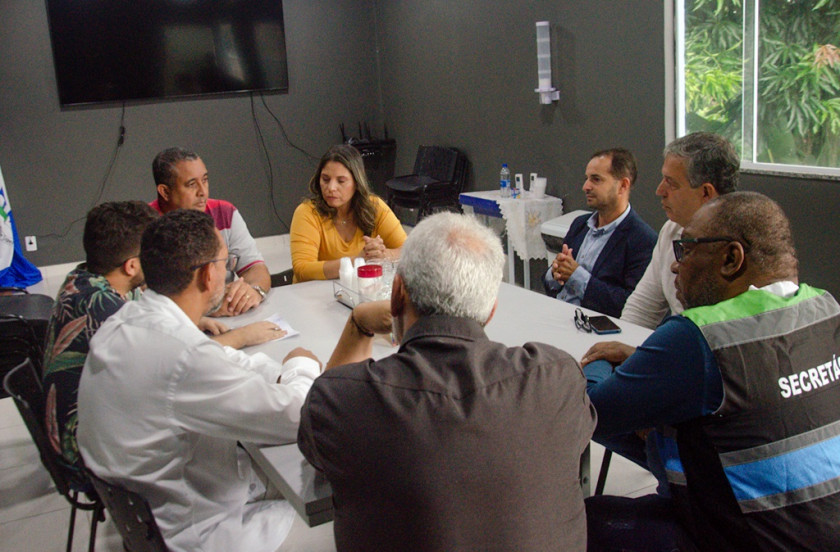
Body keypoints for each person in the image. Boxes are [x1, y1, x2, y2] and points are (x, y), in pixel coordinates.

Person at [298, 212, 596, 551]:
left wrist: (358, 326)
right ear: (491, 310)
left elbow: (316, 450)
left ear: (396, 295)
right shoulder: (557, 378)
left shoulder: (341, 398)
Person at [582, 192, 840, 551]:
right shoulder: (825, 308)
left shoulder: (699, 336)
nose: (676, 266)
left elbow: (591, 413)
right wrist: (646, 362)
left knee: (584, 519)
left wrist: (594, 362)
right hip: (822, 525)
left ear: (731, 259)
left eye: (686, 249)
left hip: (748, 538)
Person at [77, 209, 322, 552]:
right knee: (322, 488)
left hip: (144, 510)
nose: (228, 271)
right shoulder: (183, 357)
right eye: (226, 263)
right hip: (194, 532)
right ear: (208, 274)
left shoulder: (128, 319)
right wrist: (301, 365)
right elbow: (297, 418)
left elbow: (219, 360)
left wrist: (276, 373)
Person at [43, 202, 289, 473]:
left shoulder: (87, 282)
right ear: (132, 266)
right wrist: (242, 336)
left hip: (103, 439)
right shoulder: (105, 311)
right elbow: (177, 357)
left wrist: (192, 314)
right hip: (88, 453)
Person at [619, 132, 739, 329]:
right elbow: (643, 309)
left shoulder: (739, 243)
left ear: (705, 192)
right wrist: (621, 342)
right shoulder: (671, 229)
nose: (659, 191)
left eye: (671, 183)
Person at [151, 146, 270, 316]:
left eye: (205, 180)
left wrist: (253, 291)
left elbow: (255, 267)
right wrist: (205, 308)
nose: (203, 192)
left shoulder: (225, 213)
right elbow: (143, 297)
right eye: (192, 184)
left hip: (229, 316)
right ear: (165, 192)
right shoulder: (145, 226)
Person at [544, 148, 656, 317]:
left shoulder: (642, 239)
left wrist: (576, 276)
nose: (585, 187)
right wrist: (554, 272)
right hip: (556, 313)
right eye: (586, 179)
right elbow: (551, 284)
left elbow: (631, 306)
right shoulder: (580, 224)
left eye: (596, 179)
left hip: (592, 325)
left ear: (623, 185)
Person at [289, 144, 406, 282]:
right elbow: (302, 269)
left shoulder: (375, 207)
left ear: (357, 183)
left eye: (341, 181)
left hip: (359, 289)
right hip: (313, 293)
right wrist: (357, 261)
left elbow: (409, 250)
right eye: (325, 179)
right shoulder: (307, 212)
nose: (331, 188)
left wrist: (382, 255)